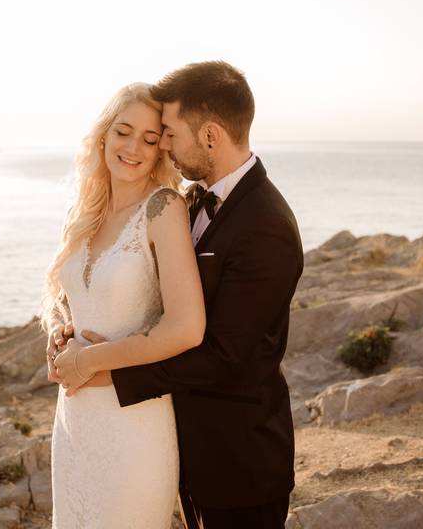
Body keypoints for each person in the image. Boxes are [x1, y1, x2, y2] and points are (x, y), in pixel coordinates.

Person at [53, 61, 304, 529]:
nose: (161, 145)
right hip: (175, 436)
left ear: (209, 136)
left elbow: (224, 355)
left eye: (165, 134)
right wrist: (70, 330)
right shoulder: (191, 202)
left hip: (237, 457)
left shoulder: (266, 226)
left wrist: (103, 369)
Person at [42, 82, 206, 528]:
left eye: (150, 140)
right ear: (103, 135)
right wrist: (63, 330)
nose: (133, 147)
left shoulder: (164, 208)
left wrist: (89, 361)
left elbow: (186, 328)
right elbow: (78, 300)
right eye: (123, 131)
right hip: (75, 421)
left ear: (160, 152)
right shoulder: (87, 210)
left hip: (134, 426)